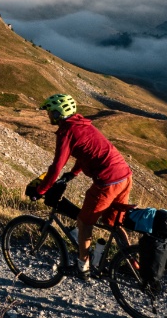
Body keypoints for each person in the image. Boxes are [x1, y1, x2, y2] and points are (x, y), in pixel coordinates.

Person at [30, 92, 131, 279]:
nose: (48, 115)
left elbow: (55, 167)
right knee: (113, 223)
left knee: (84, 223)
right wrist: (73, 173)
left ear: (58, 113)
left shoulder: (66, 131)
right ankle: (134, 264)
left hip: (107, 181)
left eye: (50, 112)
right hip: (124, 175)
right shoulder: (82, 124)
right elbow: (86, 153)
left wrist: (40, 190)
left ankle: (82, 267)